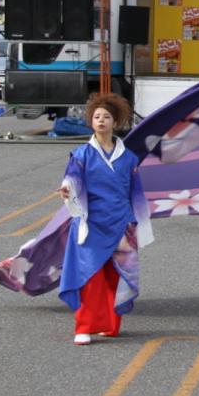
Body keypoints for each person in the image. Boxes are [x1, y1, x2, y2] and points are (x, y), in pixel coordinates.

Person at [57, 93, 154, 346]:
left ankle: (110, 326)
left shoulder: (129, 158)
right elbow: (72, 180)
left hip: (121, 222)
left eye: (107, 117)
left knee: (116, 275)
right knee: (90, 277)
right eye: (97, 117)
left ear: (115, 122)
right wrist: (67, 189)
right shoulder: (81, 154)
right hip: (90, 224)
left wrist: (138, 223)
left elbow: (136, 192)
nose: (101, 120)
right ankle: (84, 327)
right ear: (91, 122)